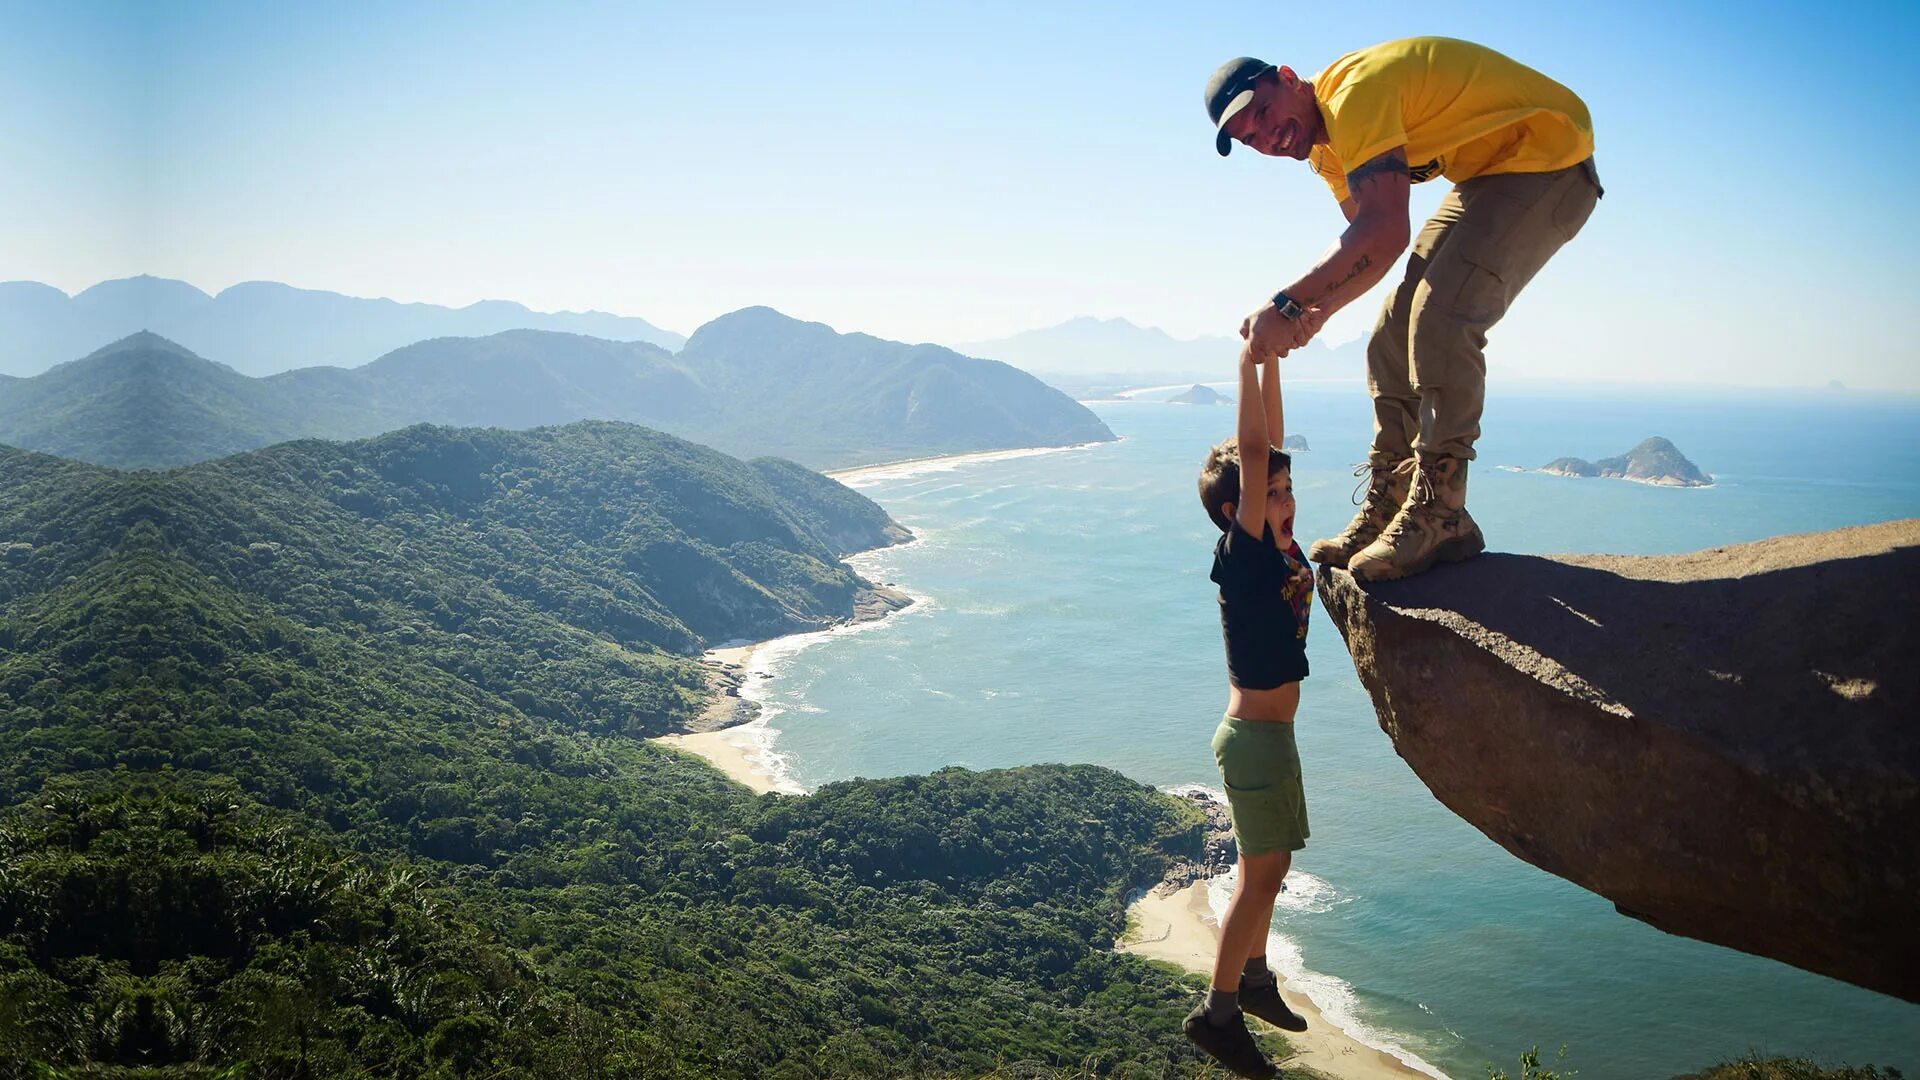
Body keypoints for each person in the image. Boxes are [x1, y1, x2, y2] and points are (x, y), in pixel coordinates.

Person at [1204, 36, 1602, 580]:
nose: (1267, 138)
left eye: (1264, 113)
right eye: (1251, 139)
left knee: (1441, 320)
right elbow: (1368, 250)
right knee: (1389, 335)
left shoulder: (1353, 97)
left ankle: (1443, 514)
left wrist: (1289, 305)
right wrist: (1315, 313)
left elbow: (1385, 231)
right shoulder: (1324, 150)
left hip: (1550, 158)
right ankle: (1392, 504)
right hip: (1488, 174)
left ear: (1290, 78)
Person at [1187, 343, 1315, 1078]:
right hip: (1254, 742)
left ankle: (1257, 976)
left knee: (1266, 867)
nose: (1286, 500)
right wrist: (1245, 363)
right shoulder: (1246, 555)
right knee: (1263, 876)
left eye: (1288, 487)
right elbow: (1259, 446)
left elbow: (1272, 439)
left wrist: (1273, 362)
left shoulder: (1274, 547)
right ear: (1236, 512)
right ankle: (1220, 1011)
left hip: (1270, 736)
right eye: (1272, 491)